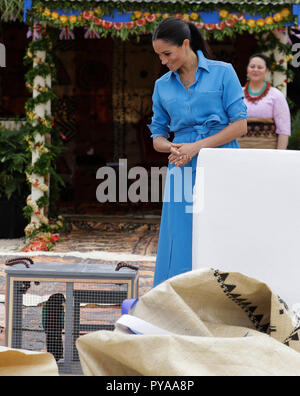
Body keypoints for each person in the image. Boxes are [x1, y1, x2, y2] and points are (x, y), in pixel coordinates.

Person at [148, 17, 248, 287]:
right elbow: (157, 135)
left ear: (185, 44)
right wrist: (172, 146)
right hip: (181, 164)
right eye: (159, 56)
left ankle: (226, 299)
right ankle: (178, 298)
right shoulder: (161, 86)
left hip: (222, 160)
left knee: (222, 229)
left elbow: (240, 125)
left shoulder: (223, 72)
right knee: (179, 234)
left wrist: (196, 147)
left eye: (167, 54)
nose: (163, 61)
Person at [243, 53, 291, 149]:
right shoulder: (237, 94)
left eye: (260, 67)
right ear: (247, 69)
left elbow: (283, 130)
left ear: (267, 71)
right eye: (252, 66)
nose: (255, 70)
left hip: (267, 151)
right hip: (239, 150)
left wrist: (279, 156)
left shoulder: (276, 95)